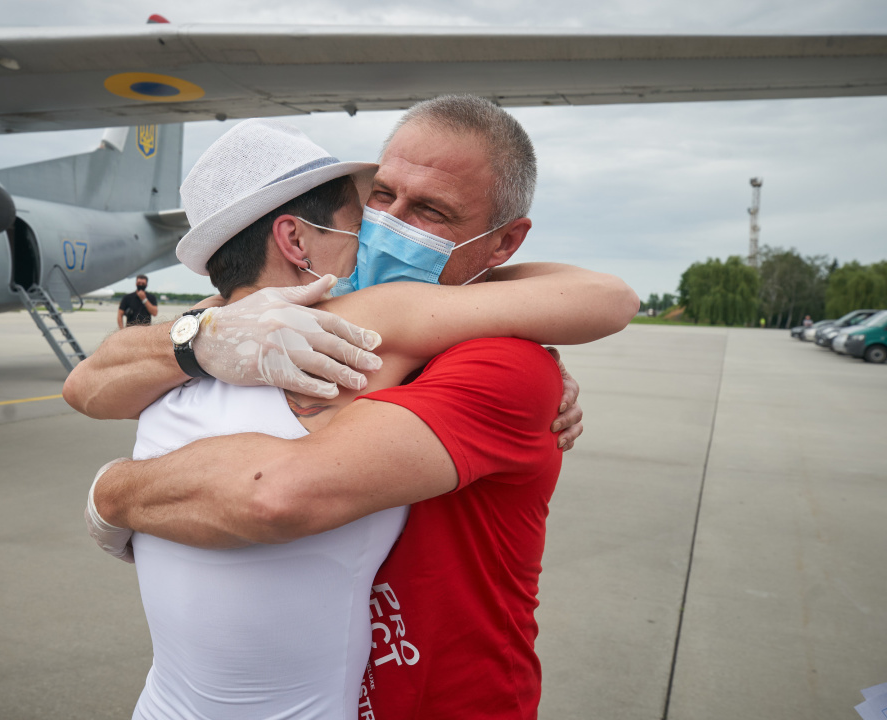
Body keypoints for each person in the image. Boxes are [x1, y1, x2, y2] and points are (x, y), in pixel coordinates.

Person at [72, 98, 640, 719]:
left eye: (429, 210)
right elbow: (93, 379)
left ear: (503, 242)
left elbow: (606, 299)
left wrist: (114, 492)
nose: (387, 228)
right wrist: (201, 338)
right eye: (377, 199)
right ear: (293, 237)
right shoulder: (238, 330)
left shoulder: (466, 350)